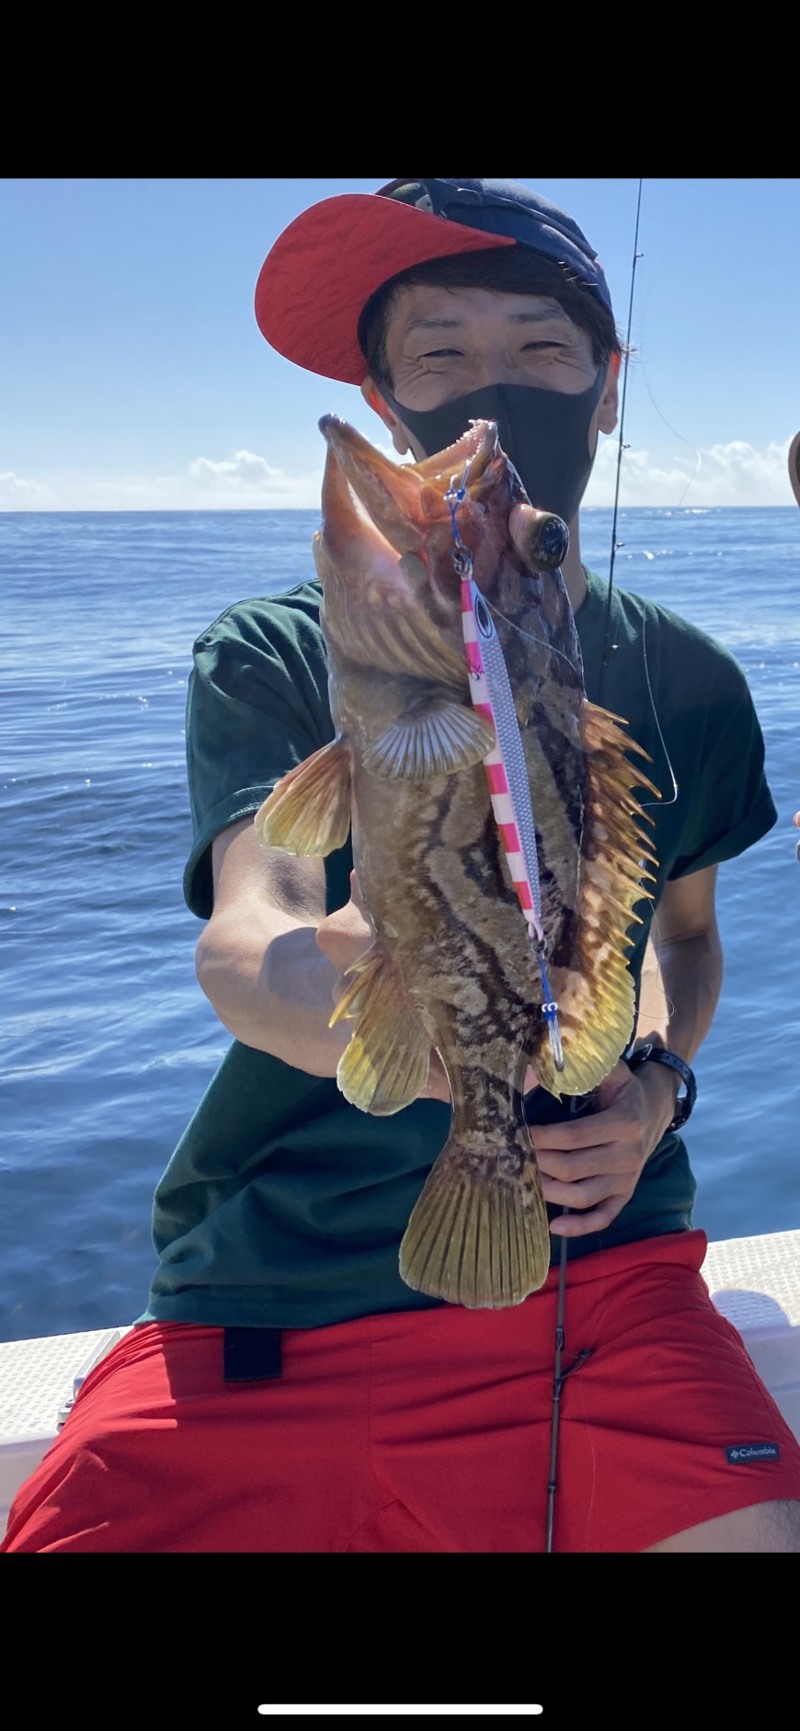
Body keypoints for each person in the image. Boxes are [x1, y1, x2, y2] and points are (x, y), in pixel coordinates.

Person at [4, 178, 800, 1555]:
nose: (492, 397)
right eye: (440, 355)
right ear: (381, 402)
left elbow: (681, 939)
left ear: (608, 386)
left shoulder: (692, 677)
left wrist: (655, 1087)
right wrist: (378, 1023)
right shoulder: (273, 653)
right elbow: (248, 934)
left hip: (604, 1282)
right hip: (274, 1292)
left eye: (539, 348)